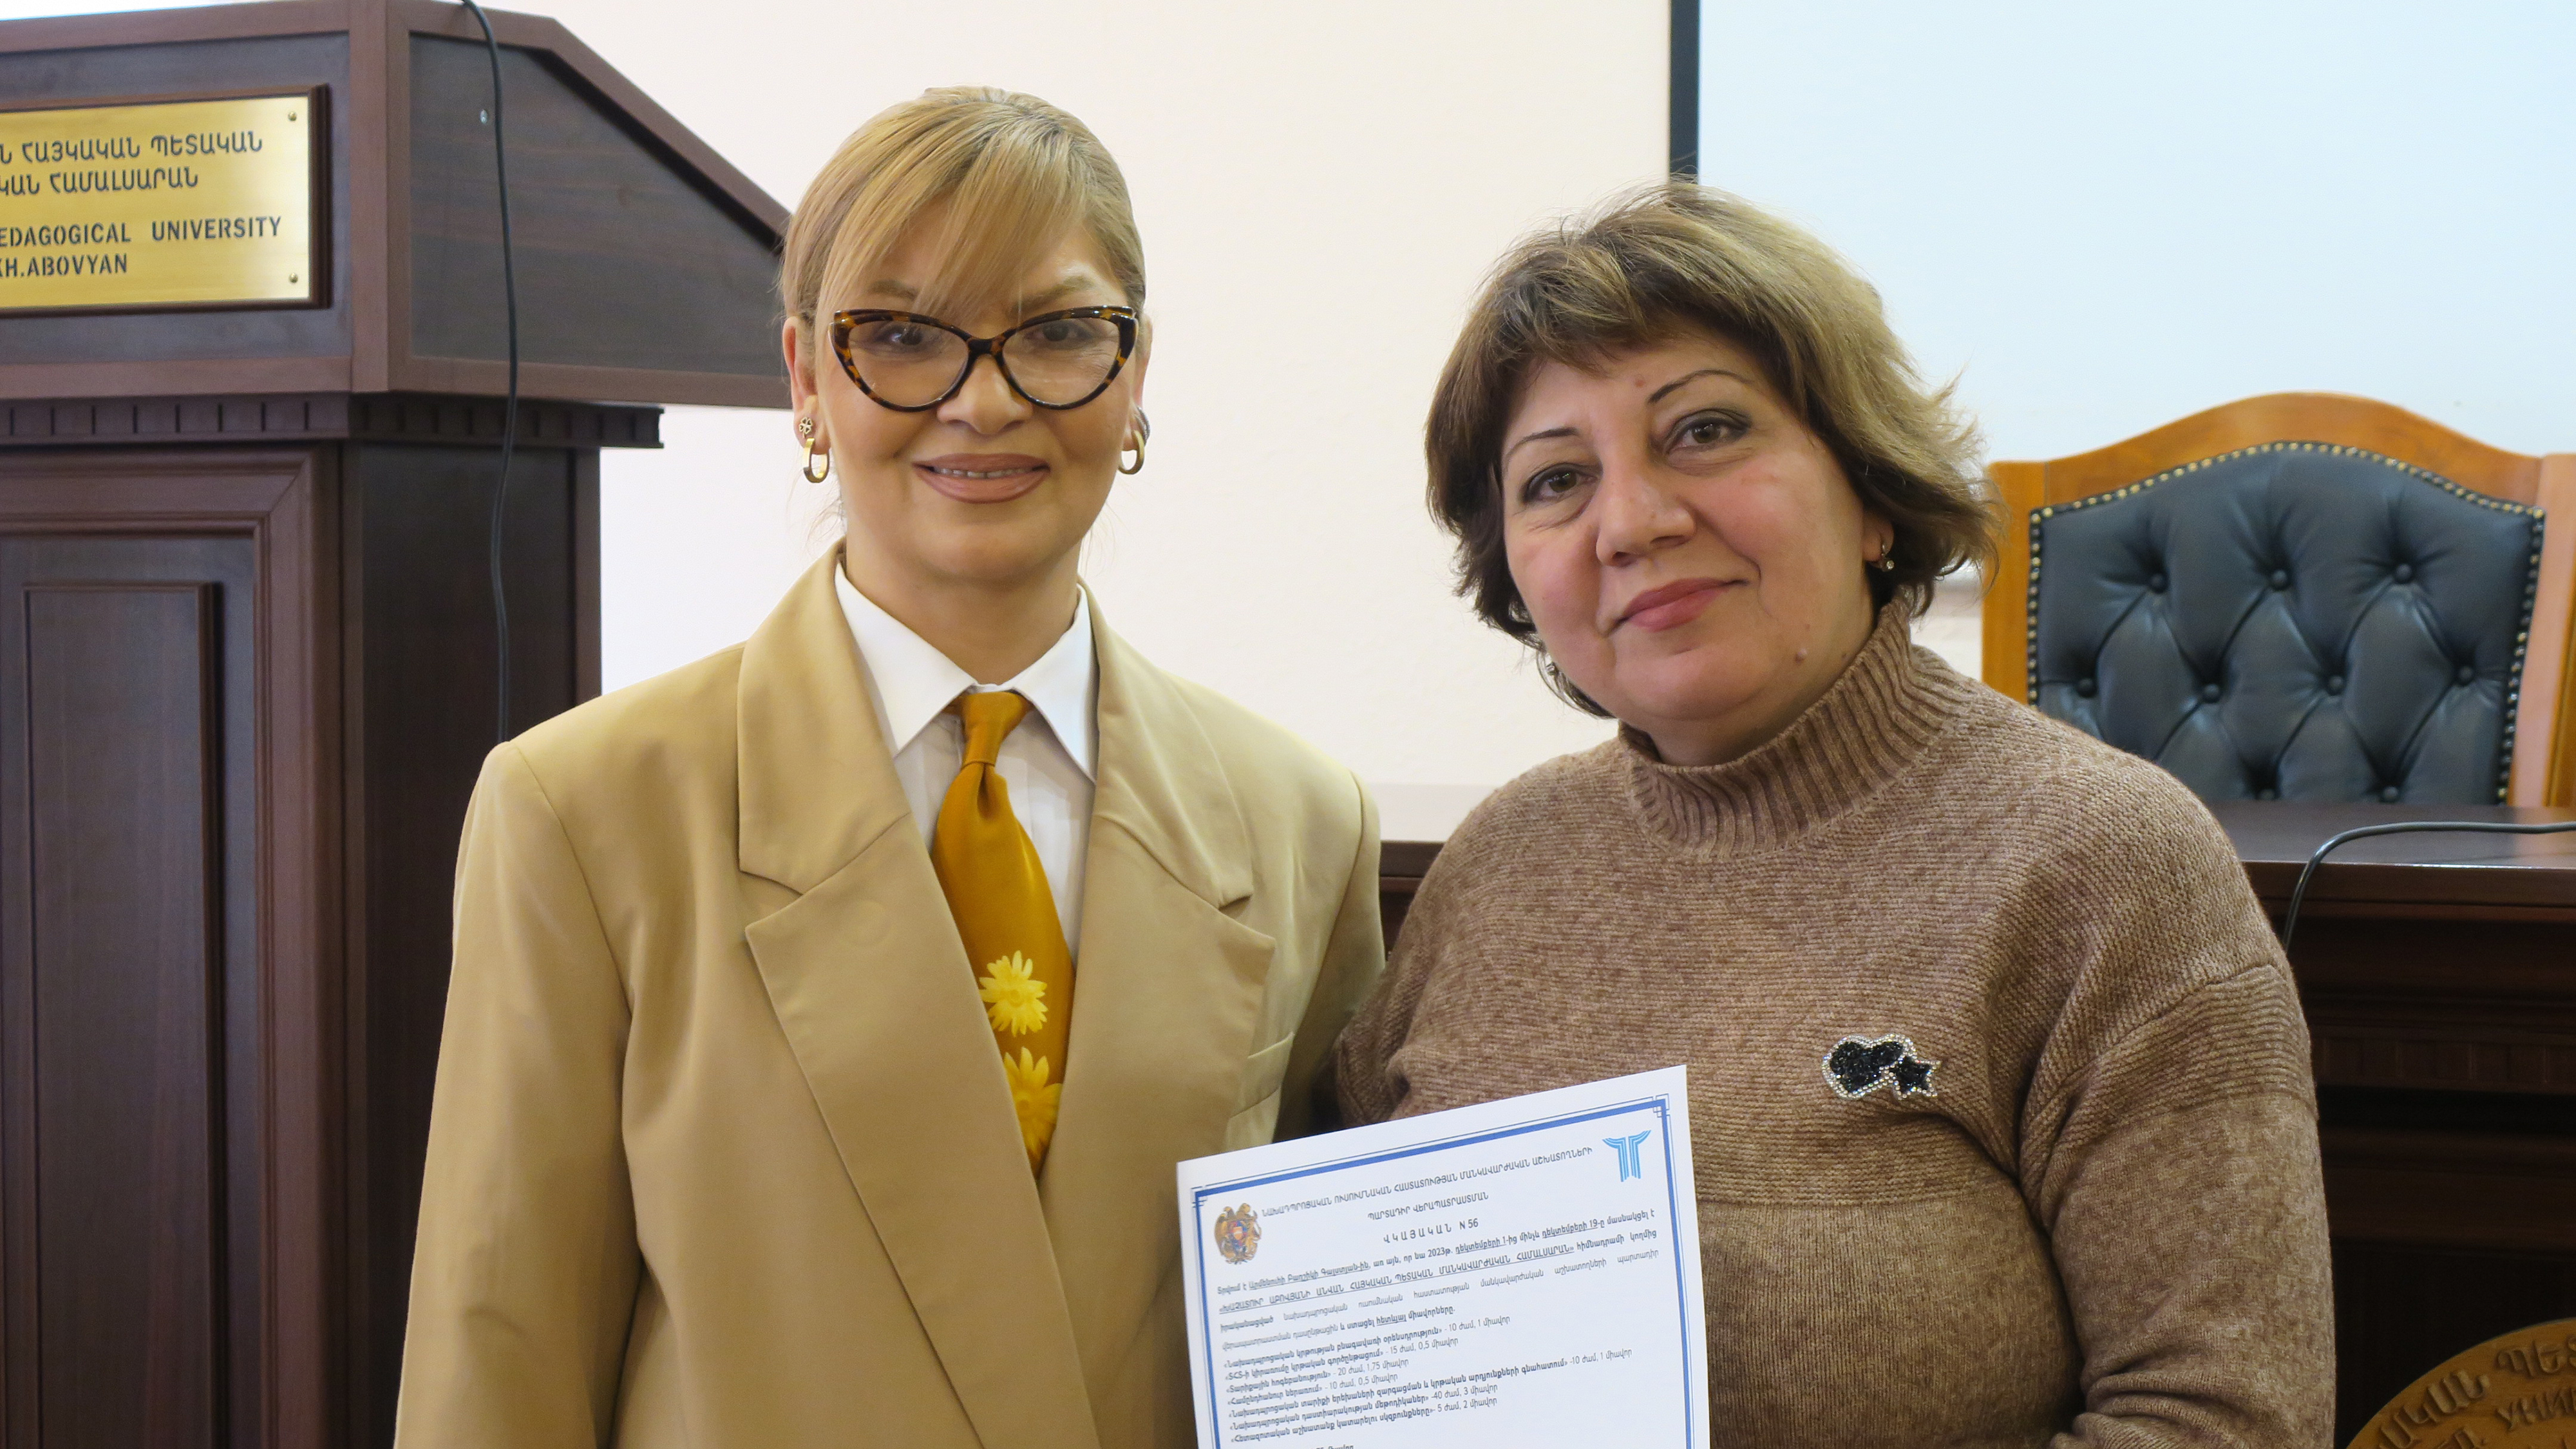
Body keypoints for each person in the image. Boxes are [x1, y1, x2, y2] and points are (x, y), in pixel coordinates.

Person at [395, 88, 1383, 1449]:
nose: (982, 400)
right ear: (806, 377)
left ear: (1136, 372)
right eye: (903, 337)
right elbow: (497, 1360)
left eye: (1055, 332)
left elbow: (1343, 1348)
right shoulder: (585, 812)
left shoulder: (1301, 820)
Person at [1333, 183, 2333, 1446]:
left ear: (1869, 492)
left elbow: (2227, 1423)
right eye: (1555, 480)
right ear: (1517, 580)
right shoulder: (1494, 867)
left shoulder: (2104, 866)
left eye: (1703, 430)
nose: (1630, 521)